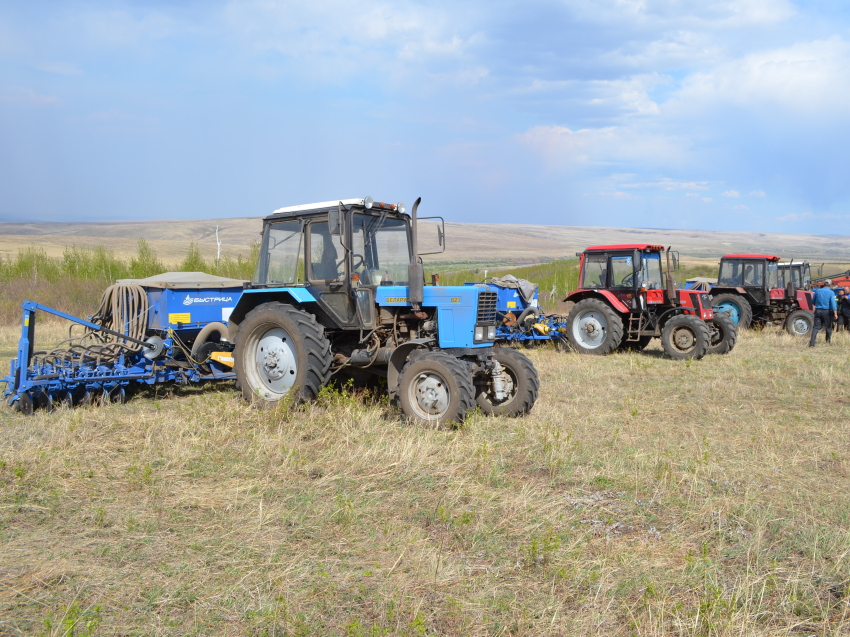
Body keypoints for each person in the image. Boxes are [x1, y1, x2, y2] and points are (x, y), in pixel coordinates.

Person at [810, 279, 838, 347]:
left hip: (818, 310)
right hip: (826, 311)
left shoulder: (817, 291)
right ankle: (828, 342)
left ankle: (812, 343)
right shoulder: (831, 292)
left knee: (816, 327)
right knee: (828, 327)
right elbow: (833, 304)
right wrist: (835, 313)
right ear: (830, 285)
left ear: (824, 284)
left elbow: (813, 301)